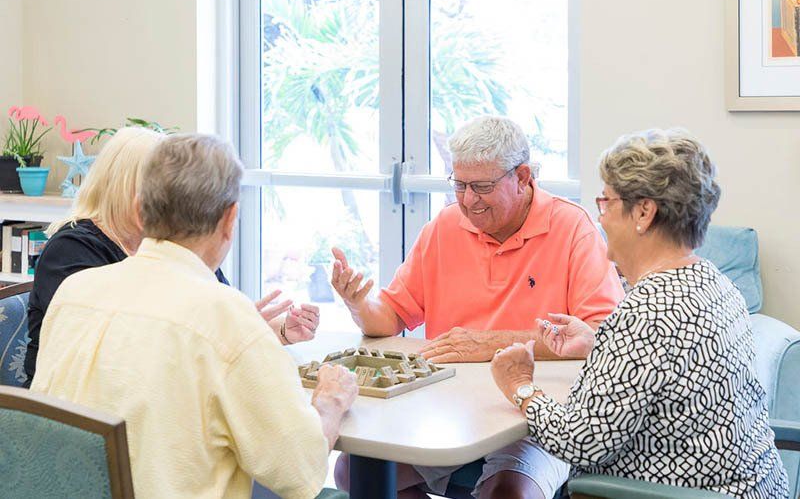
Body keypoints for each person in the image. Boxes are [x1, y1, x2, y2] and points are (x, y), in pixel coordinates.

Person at [30, 133, 358, 499]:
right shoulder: (227, 317)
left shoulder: (74, 293)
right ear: (230, 220)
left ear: (139, 211)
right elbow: (299, 471)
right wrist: (330, 401)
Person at [332, 116, 625, 498]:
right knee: (356, 472)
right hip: (449, 406)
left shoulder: (573, 228)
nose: (469, 201)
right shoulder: (445, 226)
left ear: (522, 177)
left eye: (482, 187)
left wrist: (490, 344)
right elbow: (389, 317)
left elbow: (600, 335)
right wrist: (359, 303)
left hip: (534, 412)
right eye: (459, 185)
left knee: (510, 492)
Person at [491, 128, 789, 498]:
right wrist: (599, 342)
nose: (601, 219)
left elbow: (579, 443)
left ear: (644, 212)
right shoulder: (712, 282)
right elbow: (668, 365)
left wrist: (520, 386)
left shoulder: (647, 312)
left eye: (606, 203)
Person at [24, 127, 319, 388]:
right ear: (132, 190)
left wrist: (274, 330)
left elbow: (205, 326)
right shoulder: (71, 251)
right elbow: (114, 355)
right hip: (74, 411)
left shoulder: (174, 246)